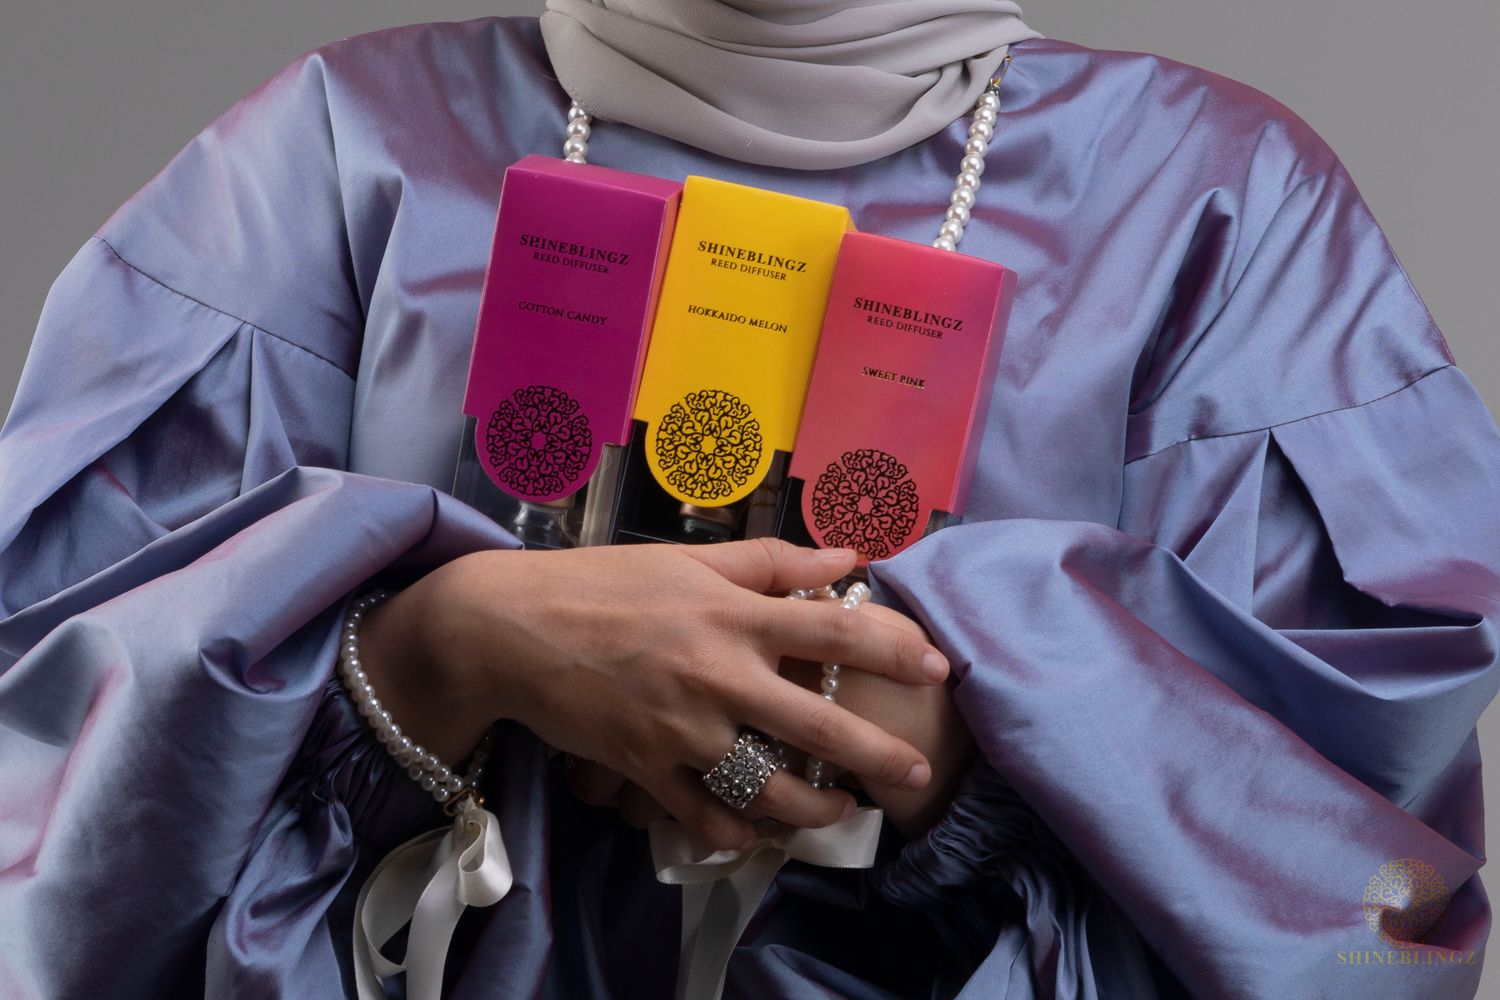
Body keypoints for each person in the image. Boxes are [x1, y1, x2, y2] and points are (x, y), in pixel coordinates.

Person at [1, 3, 1496, 998]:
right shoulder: (337, 149)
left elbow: (1349, 872)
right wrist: (447, 648)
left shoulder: (1219, 201)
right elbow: (51, 809)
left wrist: (944, 729)